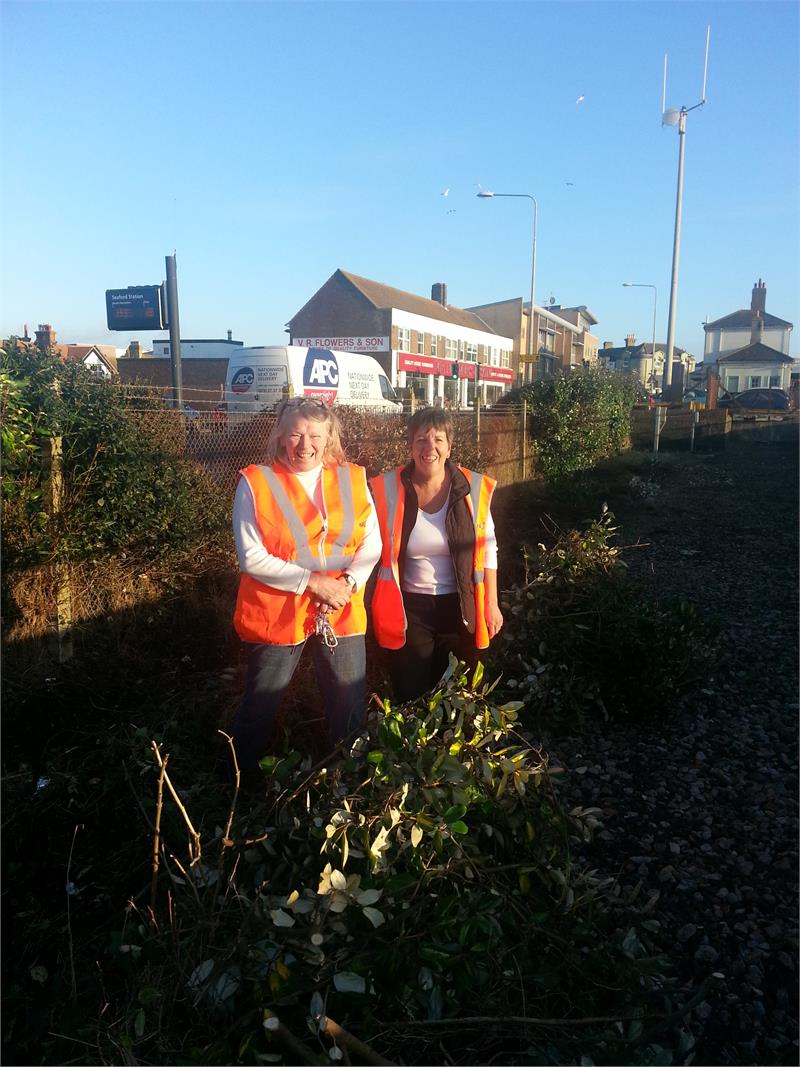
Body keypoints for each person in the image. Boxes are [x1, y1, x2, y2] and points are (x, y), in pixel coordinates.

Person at [229, 397, 381, 776]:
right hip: (277, 615)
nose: (305, 444)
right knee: (259, 709)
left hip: (341, 609)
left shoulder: (353, 477)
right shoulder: (256, 483)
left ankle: (351, 790)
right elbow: (251, 557)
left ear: (329, 437)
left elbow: (371, 542)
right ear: (280, 436)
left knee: (348, 708)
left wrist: (346, 584)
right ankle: (236, 787)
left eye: (315, 435)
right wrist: (313, 583)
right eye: (295, 434)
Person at [369, 408, 503, 703]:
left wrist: (491, 603)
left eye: (438, 439)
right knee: (411, 692)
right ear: (409, 446)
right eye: (421, 440)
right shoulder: (388, 489)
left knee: (457, 694)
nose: (430, 448)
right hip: (409, 608)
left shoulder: (471, 488)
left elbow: (488, 547)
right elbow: (366, 545)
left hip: (461, 605)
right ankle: (412, 748)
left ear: (449, 446)